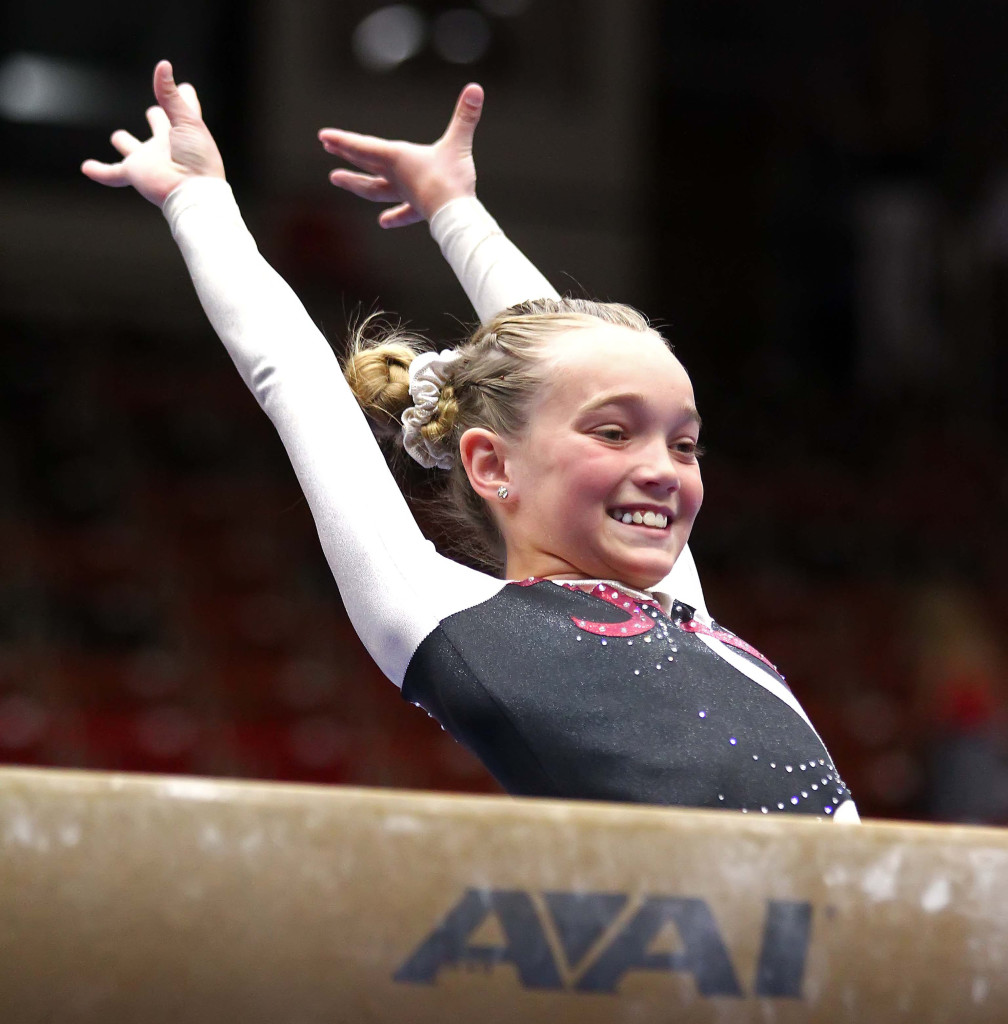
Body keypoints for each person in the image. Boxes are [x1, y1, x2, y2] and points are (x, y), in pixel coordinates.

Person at [82, 61, 858, 821]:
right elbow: (296, 380)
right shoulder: (441, 614)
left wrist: (455, 210)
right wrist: (197, 199)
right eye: (615, 433)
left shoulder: (677, 600)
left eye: (685, 446)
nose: (660, 469)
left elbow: (564, 353)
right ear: (491, 463)